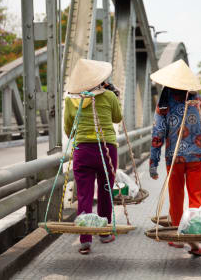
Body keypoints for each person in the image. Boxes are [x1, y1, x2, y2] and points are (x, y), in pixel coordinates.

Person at [149, 59, 201, 256]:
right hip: (198, 156)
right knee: (195, 197)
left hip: (174, 157)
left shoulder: (165, 103)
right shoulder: (199, 100)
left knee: (176, 196)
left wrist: (153, 162)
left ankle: (177, 236)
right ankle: (194, 232)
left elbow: (158, 133)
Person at [64, 59, 122, 255]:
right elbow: (117, 118)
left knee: (84, 195)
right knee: (105, 190)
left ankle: (85, 239)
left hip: (83, 152)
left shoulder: (71, 100)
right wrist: (116, 96)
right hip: (106, 150)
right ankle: (104, 233)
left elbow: (68, 128)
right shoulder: (109, 96)